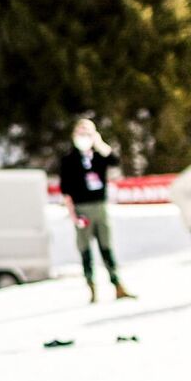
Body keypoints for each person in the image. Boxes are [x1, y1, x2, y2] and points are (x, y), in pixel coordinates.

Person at [57, 119, 134, 302]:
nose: (84, 136)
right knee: (86, 251)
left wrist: (99, 142)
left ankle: (117, 285)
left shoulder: (99, 156)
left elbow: (115, 160)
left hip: (100, 206)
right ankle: (92, 289)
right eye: (80, 132)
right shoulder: (69, 160)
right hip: (81, 208)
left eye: (87, 132)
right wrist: (73, 214)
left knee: (107, 247)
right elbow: (66, 191)